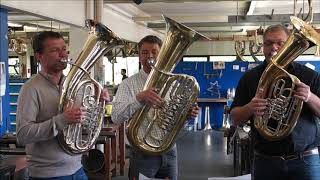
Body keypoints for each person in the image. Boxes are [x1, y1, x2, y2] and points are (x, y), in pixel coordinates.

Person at [230, 24, 320, 180]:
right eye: (268, 43)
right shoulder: (249, 78)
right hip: (265, 160)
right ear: (263, 47)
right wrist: (250, 107)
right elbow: (234, 118)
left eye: (280, 43)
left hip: (304, 159)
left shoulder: (309, 75)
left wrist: (309, 97)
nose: (274, 48)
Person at [16, 31, 110, 179]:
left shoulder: (75, 85)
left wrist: (98, 106)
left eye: (64, 49)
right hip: (48, 175)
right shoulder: (30, 88)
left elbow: (84, 128)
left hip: (78, 169)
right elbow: (22, 135)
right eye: (55, 50)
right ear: (39, 56)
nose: (63, 55)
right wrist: (62, 120)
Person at [111, 35, 199, 180]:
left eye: (154, 52)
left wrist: (186, 115)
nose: (149, 56)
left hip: (169, 150)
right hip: (142, 153)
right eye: (145, 52)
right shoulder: (128, 84)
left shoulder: (173, 83)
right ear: (139, 56)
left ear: (161, 54)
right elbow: (116, 116)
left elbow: (175, 118)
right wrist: (139, 98)